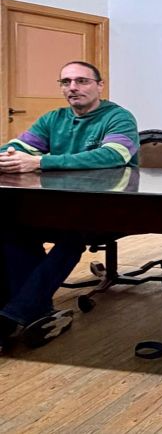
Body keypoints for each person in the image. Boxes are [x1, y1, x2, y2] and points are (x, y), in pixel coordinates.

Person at [0, 61, 139, 351]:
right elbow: (17, 147)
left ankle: (14, 316)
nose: (73, 88)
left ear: (99, 85)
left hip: (108, 208)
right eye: (66, 82)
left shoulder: (118, 117)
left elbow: (113, 156)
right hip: (59, 205)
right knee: (12, 227)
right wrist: (9, 157)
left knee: (71, 236)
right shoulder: (54, 119)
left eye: (81, 81)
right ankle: (36, 310)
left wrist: (41, 162)